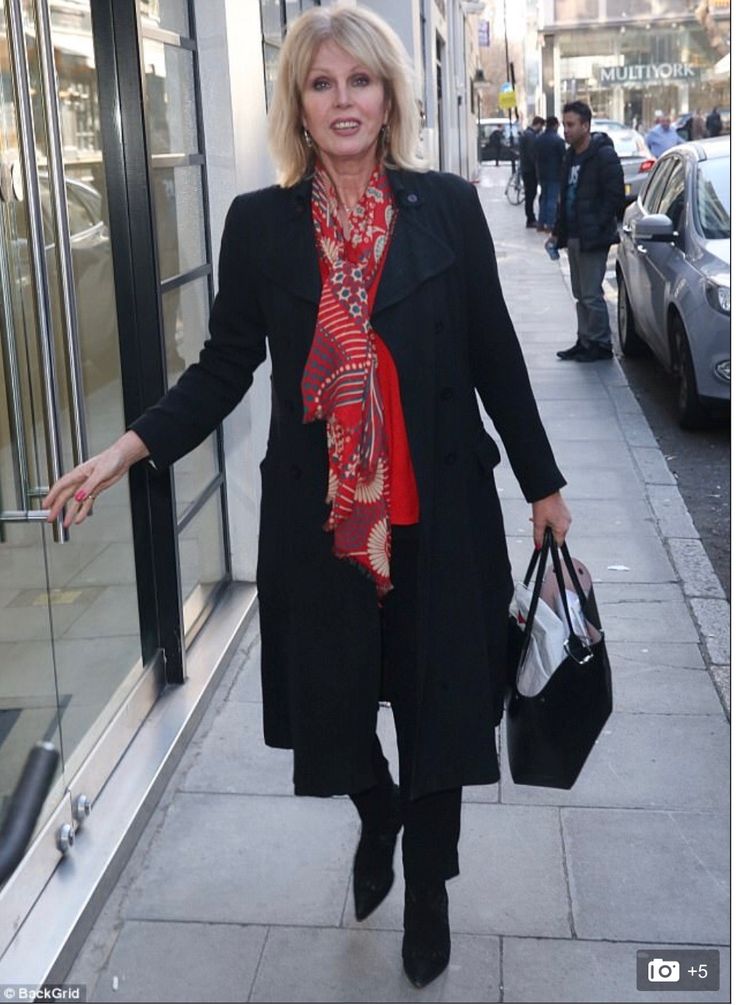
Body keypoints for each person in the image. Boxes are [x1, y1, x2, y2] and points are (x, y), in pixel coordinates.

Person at [43, 4, 571, 990]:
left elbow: (494, 356)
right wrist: (128, 447)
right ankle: (375, 809)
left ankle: (427, 885)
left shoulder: (447, 207)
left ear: (388, 96)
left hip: (437, 511)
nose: (342, 101)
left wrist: (543, 485)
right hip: (321, 519)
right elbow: (225, 365)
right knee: (331, 708)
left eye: (359, 81)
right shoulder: (260, 225)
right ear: (297, 99)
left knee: (436, 707)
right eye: (322, 83)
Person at [553, 100, 625, 362]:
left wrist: (598, 223)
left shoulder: (603, 155)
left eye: (571, 125)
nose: (566, 130)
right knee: (580, 293)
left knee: (592, 293)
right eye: (564, 124)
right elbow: (565, 196)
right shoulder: (570, 156)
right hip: (573, 234)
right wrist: (557, 231)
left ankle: (601, 344)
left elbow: (615, 195)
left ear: (586, 125)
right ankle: (584, 340)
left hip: (592, 236)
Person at [534, 115, 565, 232]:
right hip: (555, 174)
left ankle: (541, 223)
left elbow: (534, 156)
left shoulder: (538, 139)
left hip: (542, 173)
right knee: (552, 199)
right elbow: (563, 158)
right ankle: (550, 224)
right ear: (556, 125)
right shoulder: (558, 140)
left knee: (544, 198)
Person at [519, 114, 545, 228]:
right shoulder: (531, 136)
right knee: (531, 194)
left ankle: (530, 217)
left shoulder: (526, 133)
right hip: (530, 170)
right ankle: (531, 219)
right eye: (541, 126)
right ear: (538, 124)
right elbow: (532, 155)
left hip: (525, 169)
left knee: (529, 194)